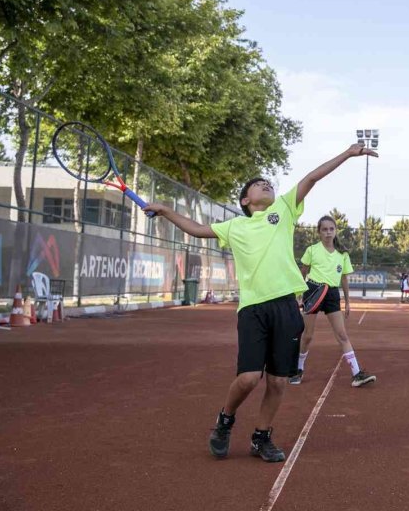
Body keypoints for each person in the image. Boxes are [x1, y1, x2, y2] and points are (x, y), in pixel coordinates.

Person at [142, 143, 377, 463]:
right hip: (253, 309)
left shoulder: (284, 209)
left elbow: (312, 178)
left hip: (286, 307)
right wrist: (166, 211)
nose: (265, 184)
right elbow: (196, 229)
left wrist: (348, 154)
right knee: (249, 377)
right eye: (257, 184)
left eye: (268, 182)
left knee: (278, 381)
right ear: (245, 200)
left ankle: (261, 437)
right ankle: (225, 420)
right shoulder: (234, 226)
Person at [290, 216, 376, 388]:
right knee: (307, 336)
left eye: (331, 229)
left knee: (342, 335)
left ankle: (357, 373)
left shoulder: (342, 254)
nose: (328, 232)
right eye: (324, 229)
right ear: (319, 232)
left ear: (336, 231)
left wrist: (348, 302)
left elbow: (344, 279)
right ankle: (298, 369)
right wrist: (298, 295)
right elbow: (303, 272)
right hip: (312, 292)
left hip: (332, 295)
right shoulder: (312, 250)